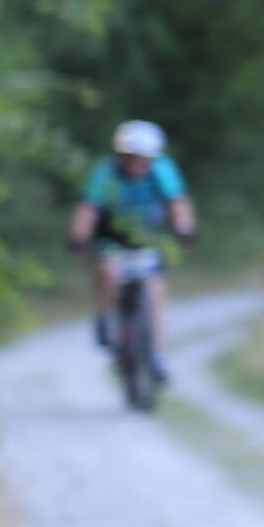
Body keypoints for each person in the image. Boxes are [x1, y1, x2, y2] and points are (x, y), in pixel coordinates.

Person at [68, 120, 197, 381]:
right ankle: (106, 318)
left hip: (147, 237)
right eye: (131, 158)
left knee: (155, 288)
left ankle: (156, 354)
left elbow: (177, 202)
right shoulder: (105, 173)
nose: (137, 165)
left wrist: (185, 229)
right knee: (108, 270)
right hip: (112, 236)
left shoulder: (162, 169)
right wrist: (78, 237)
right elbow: (88, 208)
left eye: (143, 159)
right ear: (121, 156)